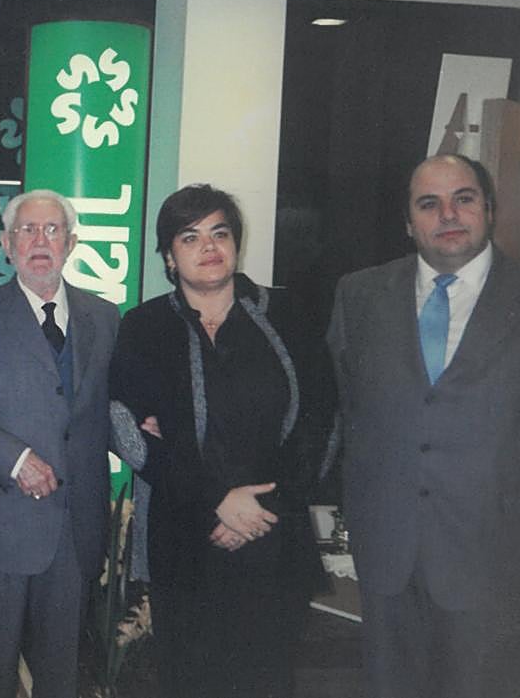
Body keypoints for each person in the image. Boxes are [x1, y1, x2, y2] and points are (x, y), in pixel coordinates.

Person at [110, 184, 333, 698]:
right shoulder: (144, 327)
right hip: (186, 540)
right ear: (169, 256)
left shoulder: (286, 315)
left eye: (219, 233)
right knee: (188, 682)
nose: (208, 247)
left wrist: (268, 505)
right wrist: (216, 501)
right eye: (190, 237)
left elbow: (323, 421)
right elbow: (125, 426)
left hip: (273, 539)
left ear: (235, 243)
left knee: (267, 681)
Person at [328, 153, 520, 698]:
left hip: (498, 560)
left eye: (463, 198)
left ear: (488, 208)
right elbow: (348, 411)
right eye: (429, 204)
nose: (449, 214)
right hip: (388, 555)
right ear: (408, 222)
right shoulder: (360, 295)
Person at [0, 189, 119, 698]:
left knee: (61, 682)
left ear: (70, 243)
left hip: (74, 537)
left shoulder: (104, 316)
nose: (39, 241)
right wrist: (14, 458)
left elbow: (105, 412)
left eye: (51, 230)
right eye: (26, 231)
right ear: (7, 246)